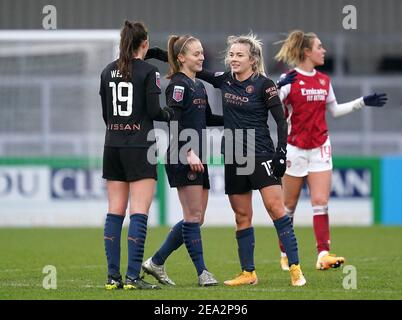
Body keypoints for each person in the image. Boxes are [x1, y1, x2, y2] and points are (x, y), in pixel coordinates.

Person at [192, 34, 306, 287]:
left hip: (261, 154)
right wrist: (166, 53)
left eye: (239, 55)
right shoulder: (224, 81)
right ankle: (248, 273)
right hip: (233, 156)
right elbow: (195, 70)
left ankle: (296, 267)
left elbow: (280, 120)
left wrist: (281, 153)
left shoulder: (265, 85)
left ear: (253, 60)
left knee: (276, 209)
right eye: (231, 54)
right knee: (242, 215)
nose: (233, 59)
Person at [274, 30, 387, 271]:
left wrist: (362, 102)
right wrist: (276, 86)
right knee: (288, 206)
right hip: (294, 149)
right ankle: (285, 253)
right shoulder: (290, 79)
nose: (324, 51)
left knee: (321, 201)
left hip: (320, 148)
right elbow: (268, 102)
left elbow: (333, 110)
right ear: (307, 52)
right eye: (319, 47)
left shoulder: (324, 80)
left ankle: (323, 254)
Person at [142, 35, 223, 287]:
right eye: (196, 54)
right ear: (181, 58)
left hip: (197, 156)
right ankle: (203, 273)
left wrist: (239, 117)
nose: (201, 57)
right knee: (192, 216)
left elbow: (208, 118)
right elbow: (173, 122)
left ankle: (156, 262)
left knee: (196, 218)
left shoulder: (198, 85)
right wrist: (188, 152)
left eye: (201, 53)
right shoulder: (178, 85)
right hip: (183, 155)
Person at [100, 20, 173, 290]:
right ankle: (132, 277)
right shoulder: (149, 71)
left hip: (112, 146)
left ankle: (112, 277)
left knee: (114, 212)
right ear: (145, 43)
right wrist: (170, 113)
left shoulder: (107, 71)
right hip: (141, 146)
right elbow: (155, 112)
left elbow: (106, 115)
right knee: (138, 212)